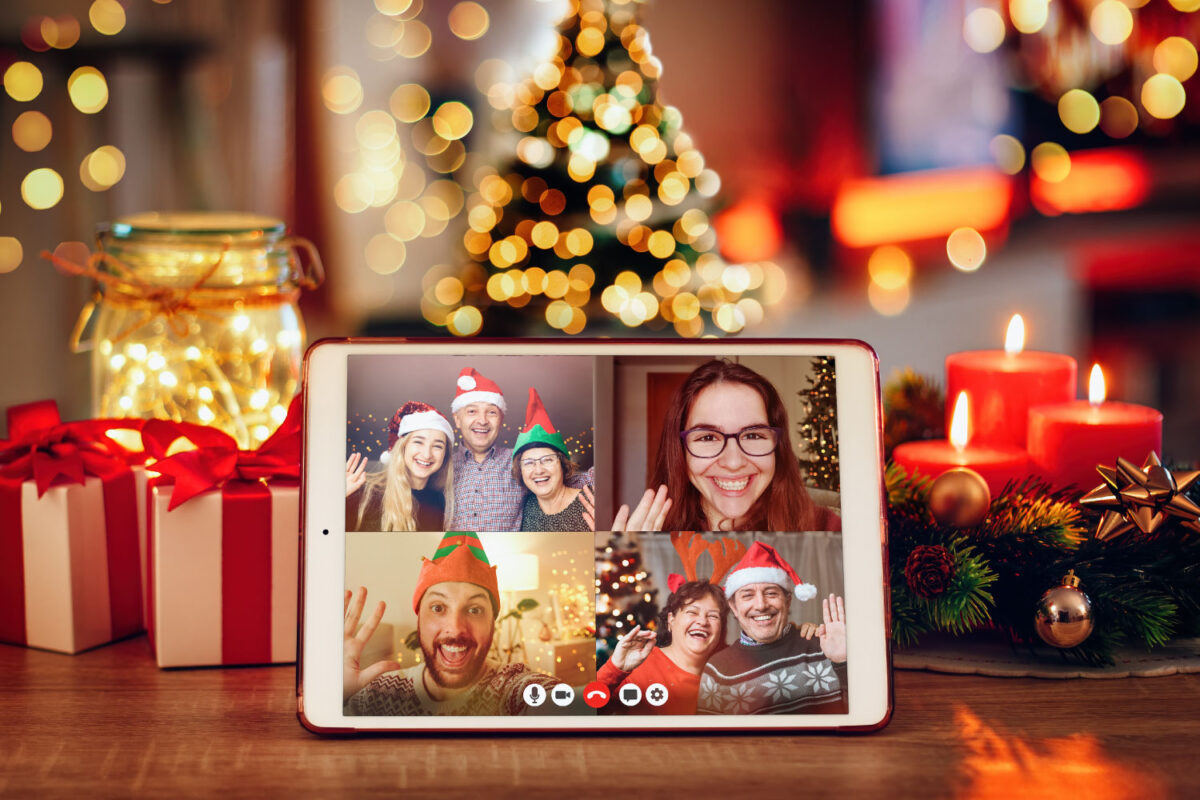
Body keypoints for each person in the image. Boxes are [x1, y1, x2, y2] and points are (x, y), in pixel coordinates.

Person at [344, 531, 559, 716]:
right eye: (438, 608)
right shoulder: (378, 692)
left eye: (474, 610)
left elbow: (557, 700)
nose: (455, 629)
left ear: (493, 621)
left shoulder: (516, 686)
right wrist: (340, 697)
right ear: (419, 617)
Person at [618, 359, 841, 532]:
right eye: (707, 438)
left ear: (777, 447)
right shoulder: (641, 537)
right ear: (680, 450)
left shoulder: (828, 527)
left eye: (753, 435)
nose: (733, 463)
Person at [697, 541, 847, 715]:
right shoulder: (717, 670)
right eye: (747, 595)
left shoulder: (826, 646)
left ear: (788, 600)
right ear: (734, 608)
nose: (761, 605)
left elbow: (860, 715)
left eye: (771, 593)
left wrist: (843, 663)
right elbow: (710, 739)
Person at [447, 366, 591, 532]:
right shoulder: (444, 466)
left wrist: (595, 497)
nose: (482, 420)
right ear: (457, 420)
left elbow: (566, 479)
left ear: (500, 419)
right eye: (472, 411)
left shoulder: (519, 462)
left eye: (491, 412)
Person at [596, 579, 729, 715]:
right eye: (692, 612)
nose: (702, 621)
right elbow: (587, 709)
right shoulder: (640, 666)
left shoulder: (730, 676)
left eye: (713, 616)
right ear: (671, 620)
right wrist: (615, 668)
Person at [345, 401, 454, 531]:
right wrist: (336, 503)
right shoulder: (365, 494)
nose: (427, 454)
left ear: (445, 455)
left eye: (437, 446)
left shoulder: (440, 502)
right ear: (402, 447)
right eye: (418, 442)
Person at [512, 387, 594, 532]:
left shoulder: (591, 503)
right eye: (529, 463)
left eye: (547, 460)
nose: (538, 470)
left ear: (562, 464)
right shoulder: (526, 507)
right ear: (521, 471)